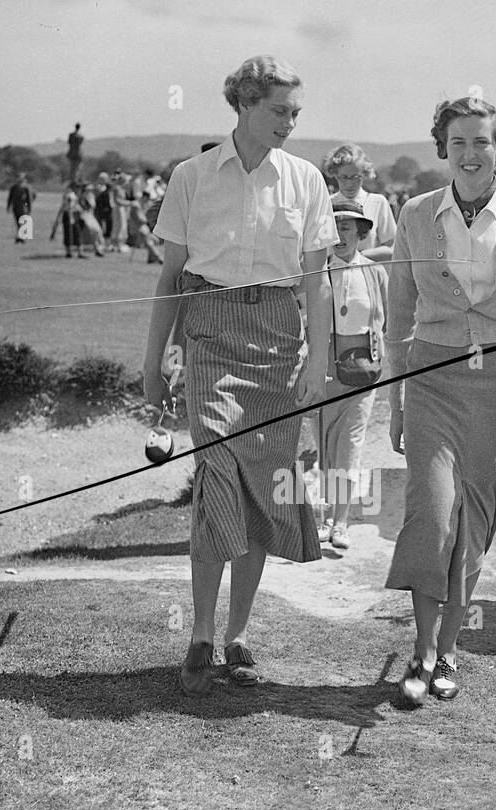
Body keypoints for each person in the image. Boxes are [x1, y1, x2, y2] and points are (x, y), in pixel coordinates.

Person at [143, 54, 337, 696]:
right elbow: (170, 279)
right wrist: (154, 363)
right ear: (244, 106)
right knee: (217, 467)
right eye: (279, 110)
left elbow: (316, 282)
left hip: (280, 343)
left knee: (262, 484)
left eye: (295, 112)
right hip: (210, 336)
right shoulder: (192, 176)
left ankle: (235, 636)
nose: (289, 122)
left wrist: (320, 358)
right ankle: (199, 632)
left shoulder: (306, 181)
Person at [384, 96, 496, 705]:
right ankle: (421, 651)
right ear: (443, 148)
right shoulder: (415, 214)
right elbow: (399, 315)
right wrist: (396, 403)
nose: (470, 153)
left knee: (471, 528)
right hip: (432, 379)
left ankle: (450, 652)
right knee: (431, 515)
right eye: (457, 142)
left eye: (481, 142)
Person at [315, 195, 388, 550]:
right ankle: (325, 517)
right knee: (324, 445)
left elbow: (389, 321)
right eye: (334, 227)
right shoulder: (318, 271)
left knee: (350, 447)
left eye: (346, 227)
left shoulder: (374, 271)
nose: (340, 235)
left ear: (361, 232)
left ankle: (341, 522)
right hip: (325, 368)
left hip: (363, 370)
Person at [321, 144, 397, 259]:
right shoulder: (326, 204)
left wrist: (357, 257)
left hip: (367, 272)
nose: (349, 183)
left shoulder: (377, 202)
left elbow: (392, 248)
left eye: (356, 177)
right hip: (333, 272)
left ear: (365, 174)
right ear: (335, 175)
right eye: (344, 177)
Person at [50, 188, 84, 257]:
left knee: (77, 233)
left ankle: (79, 252)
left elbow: (76, 206)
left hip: (74, 214)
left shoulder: (74, 197)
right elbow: (66, 206)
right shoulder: (69, 196)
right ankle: (69, 252)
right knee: (68, 234)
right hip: (68, 215)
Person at [6, 173, 35, 242]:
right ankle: (20, 236)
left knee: (22, 222)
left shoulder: (26, 188)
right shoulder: (13, 187)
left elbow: (29, 199)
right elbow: (10, 198)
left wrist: (29, 208)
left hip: (24, 207)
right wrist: (8, 206)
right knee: (17, 222)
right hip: (16, 207)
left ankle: (20, 236)